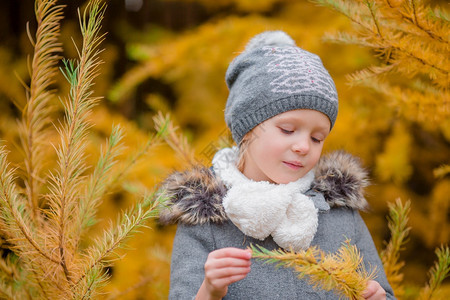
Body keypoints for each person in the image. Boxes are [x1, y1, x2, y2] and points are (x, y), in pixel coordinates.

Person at [159, 31, 395, 299]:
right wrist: (209, 291)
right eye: (287, 129)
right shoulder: (207, 219)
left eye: (317, 138)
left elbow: (383, 292)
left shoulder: (338, 213)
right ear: (247, 129)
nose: (303, 146)